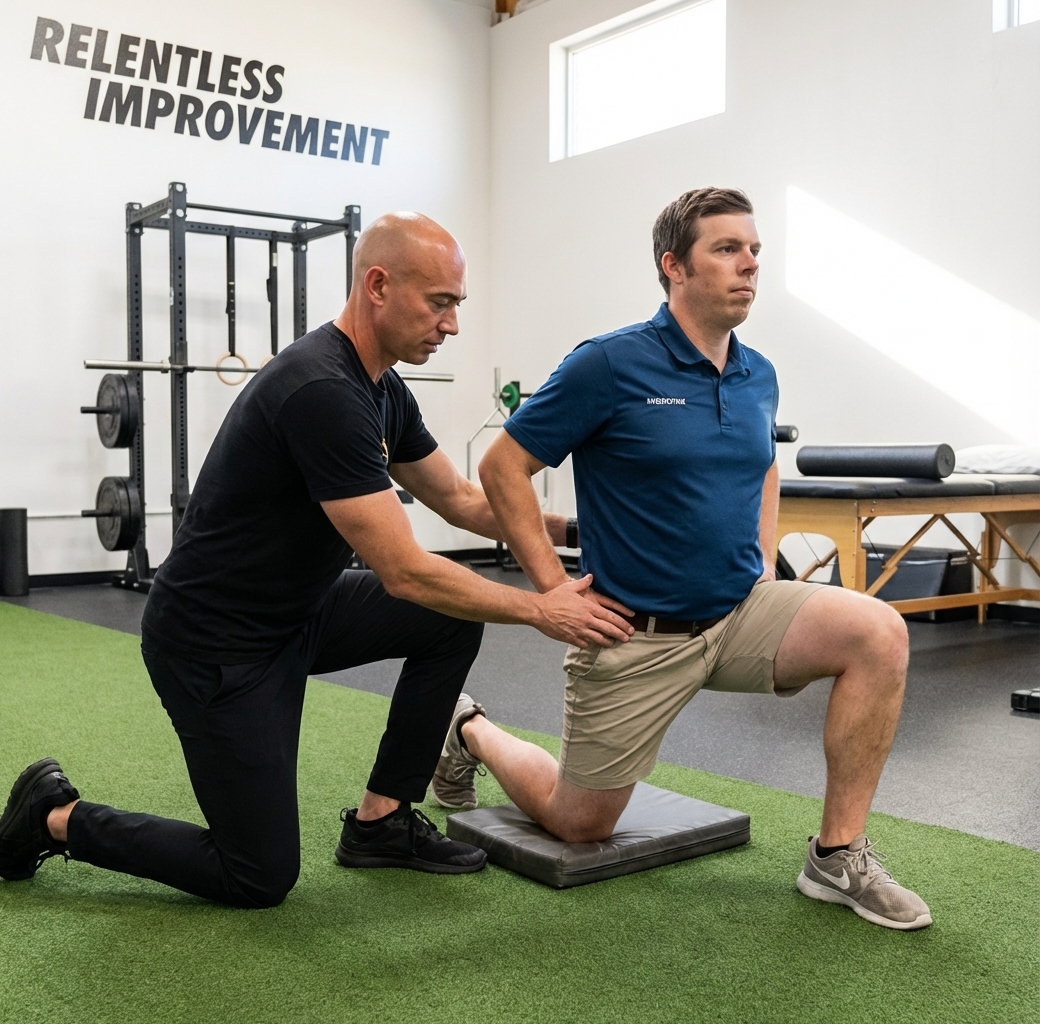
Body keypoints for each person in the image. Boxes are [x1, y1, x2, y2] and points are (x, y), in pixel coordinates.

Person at [0, 212, 634, 908]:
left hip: (297, 612)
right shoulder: (321, 392)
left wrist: (583, 528)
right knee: (256, 875)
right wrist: (540, 608)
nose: (451, 324)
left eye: (457, 305)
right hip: (216, 645)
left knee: (446, 624)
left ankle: (382, 823)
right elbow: (406, 570)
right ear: (379, 285)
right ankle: (55, 818)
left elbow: (459, 500)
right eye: (440, 303)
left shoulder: (382, 389)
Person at [432, 188, 932, 931]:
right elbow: (504, 467)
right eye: (727, 250)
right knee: (581, 824)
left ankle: (837, 856)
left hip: (737, 614)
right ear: (673, 266)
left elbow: (763, 465)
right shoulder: (609, 364)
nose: (749, 265)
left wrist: (763, 568)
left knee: (879, 632)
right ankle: (469, 727)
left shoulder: (757, 372)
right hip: (633, 633)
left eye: (755, 251)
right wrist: (549, 591)